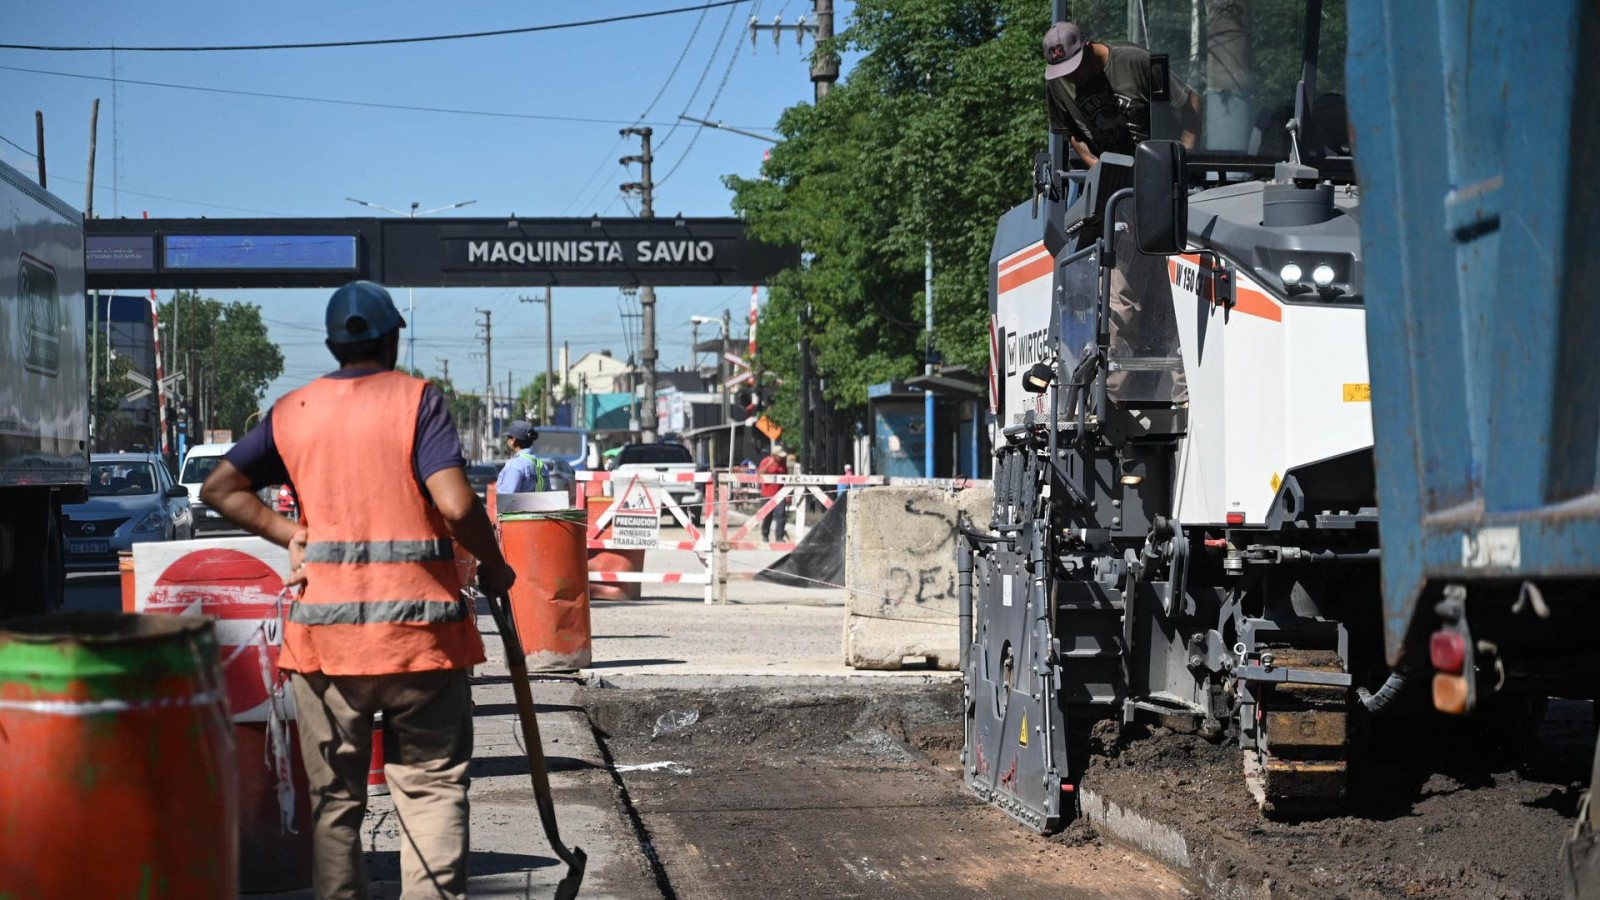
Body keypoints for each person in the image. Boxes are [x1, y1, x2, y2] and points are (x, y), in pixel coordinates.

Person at [200, 280, 516, 900]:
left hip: (325, 647)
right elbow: (454, 502)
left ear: (330, 344)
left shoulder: (293, 411)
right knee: (430, 793)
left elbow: (220, 489)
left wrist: (287, 532)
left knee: (334, 805)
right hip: (421, 645)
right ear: (393, 338)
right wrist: (496, 565)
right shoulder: (417, 402)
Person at [1043, 21, 1194, 404]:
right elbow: (1070, 132)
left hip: (1160, 185)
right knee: (1119, 300)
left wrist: (1181, 159)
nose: (1070, 78)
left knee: (1173, 296)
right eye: (1062, 73)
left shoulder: (1133, 63)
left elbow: (1190, 104)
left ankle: (1185, 395)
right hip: (1118, 194)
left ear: (1089, 48)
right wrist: (1097, 166)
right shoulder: (1058, 84)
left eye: (1074, 68)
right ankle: (1111, 401)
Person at [495, 420, 549, 495]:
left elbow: (506, 498)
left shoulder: (515, 465)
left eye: (508, 437)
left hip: (518, 507)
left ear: (513, 440)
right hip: (539, 506)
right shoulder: (542, 466)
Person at [757, 444, 789, 543]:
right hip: (767, 494)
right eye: (779, 456)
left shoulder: (783, 463)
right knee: (767, 516)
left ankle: (779, 537)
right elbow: (760, 474)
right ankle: (765, 534)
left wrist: (788, 494)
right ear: (774, 455)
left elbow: (786, 478)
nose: (781, 458)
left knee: (781, 515)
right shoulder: (766, 461)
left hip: (780, 494)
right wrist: (768, 465)